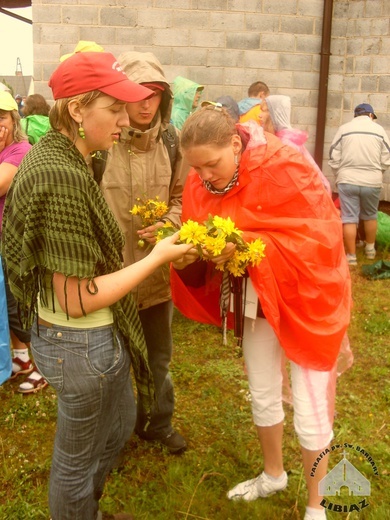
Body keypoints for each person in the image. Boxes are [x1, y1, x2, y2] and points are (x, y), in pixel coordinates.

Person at [1, 51, 193, 520]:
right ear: (76, 109)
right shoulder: (59, 173)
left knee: (121, 423)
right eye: (115, 109)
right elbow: (76, 297)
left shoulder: (76, 157)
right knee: (74, 461)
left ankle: (86, 506)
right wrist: (159, 256)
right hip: (77, 342)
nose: (127, 120)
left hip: (95, 338)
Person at [170, 106, 351, 520]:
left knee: (310, 409)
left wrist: (248, 242)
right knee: (263, 390)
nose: (204, 177)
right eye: (195, 169)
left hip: (308, 302)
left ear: (235, 143)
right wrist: (190, 252)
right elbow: (201, 228)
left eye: (211, 164)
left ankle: (317, 506)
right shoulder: (203, 179)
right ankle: (274, 474)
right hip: (256, 303)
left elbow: (320, 239)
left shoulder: (286, 166)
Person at [100, 50, 190, 454]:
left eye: (154, 93)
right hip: (110, 279)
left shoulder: (173, 142)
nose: (145, 101)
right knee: (112, 365)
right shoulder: (103, 144)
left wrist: (171, 222)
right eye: (137, 92)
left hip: (156, 280)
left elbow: (183, 197)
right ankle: (115, 437)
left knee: (159, 359)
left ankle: (157, 422)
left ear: (164, 98)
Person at [0, 91, 43, 394]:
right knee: (9, 304)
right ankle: (21, 358)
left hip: (15, 241)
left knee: (22, 304)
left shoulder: (21, 149)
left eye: (1, 118)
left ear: (14, 120)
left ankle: (42, 367)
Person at [329, 103, 390, 266]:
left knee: (349, 217)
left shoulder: (344, 129)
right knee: (370, 215)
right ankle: (370, 251)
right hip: (372, 180)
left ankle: (351, 256)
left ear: (356, 115)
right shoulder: (379, 131)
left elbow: (333, 157)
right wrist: (378, 172)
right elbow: (387, 158)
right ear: (371, 115)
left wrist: (339, 174)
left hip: (347, 179)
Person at [261, 94, 332, 194]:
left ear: (274, 114)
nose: (260, 115)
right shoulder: (284, 139)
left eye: (264, 111)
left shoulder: (286, 144)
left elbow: (288, 182)